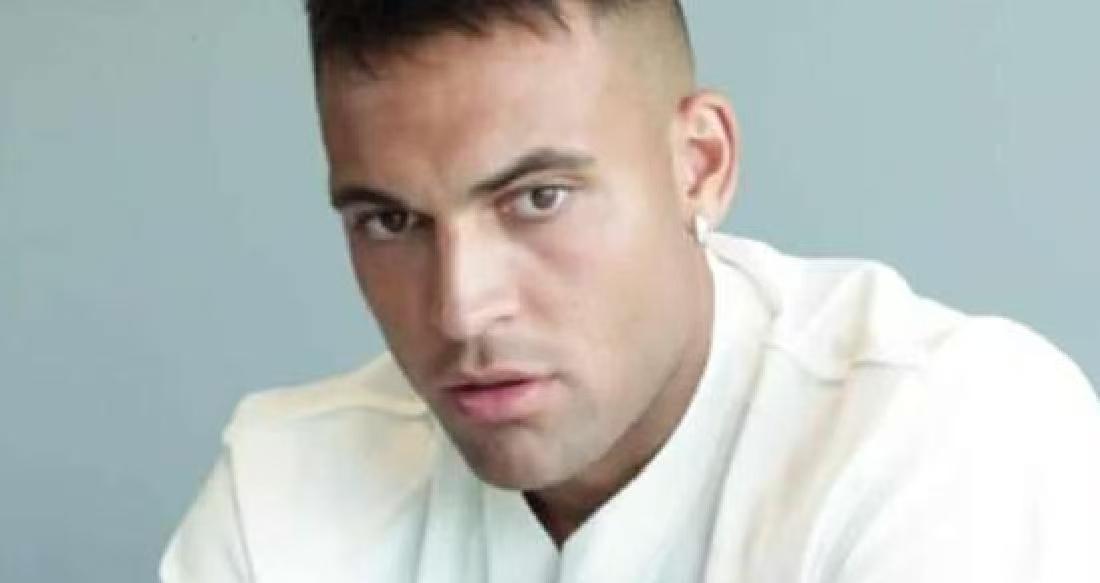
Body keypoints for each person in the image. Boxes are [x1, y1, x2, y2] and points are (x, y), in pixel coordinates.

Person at [160, 1, 1100, 581]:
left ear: (700, 164)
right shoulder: (284, 486)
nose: (460, 310)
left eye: (538, 198)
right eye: (390, 220)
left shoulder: (946, 437)